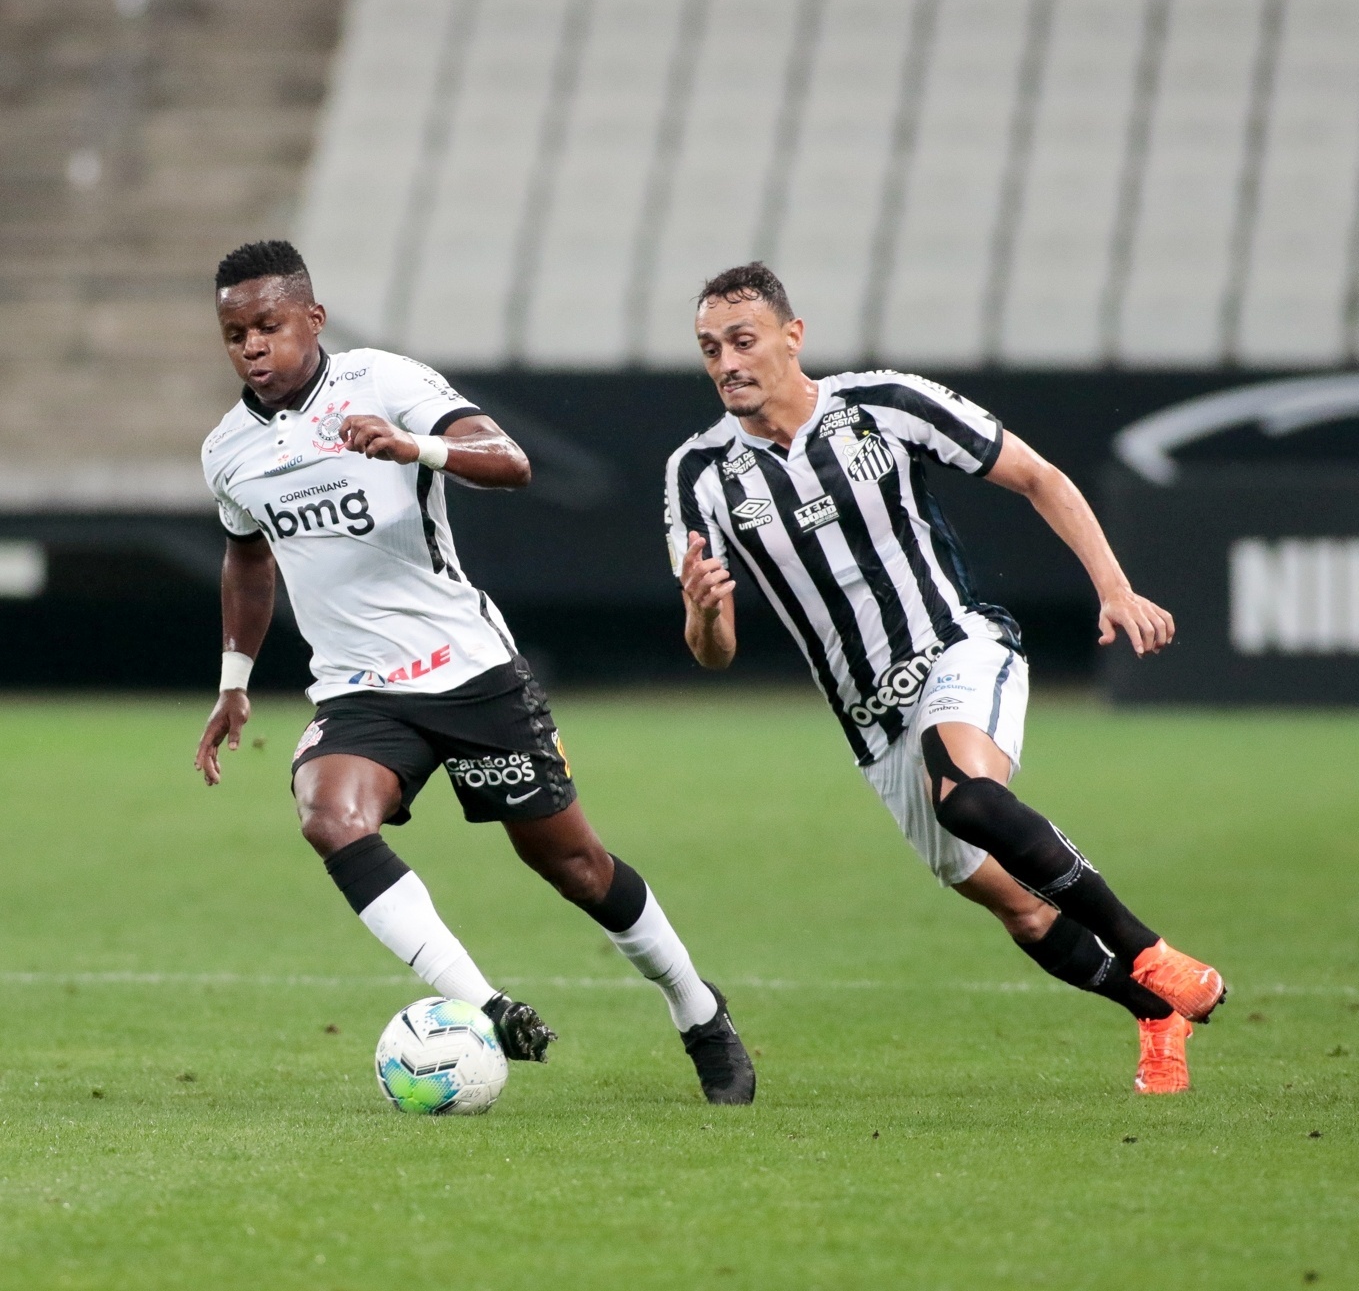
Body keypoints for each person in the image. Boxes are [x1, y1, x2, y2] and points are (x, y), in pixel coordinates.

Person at [194, 240, 754, 1105]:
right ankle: (482, 1006)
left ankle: (696, 1008)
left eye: (268, 324)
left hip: (465, 669)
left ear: (313, 318)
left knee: (575, 868)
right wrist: (235, 678)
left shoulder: (386, 383)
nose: (253, 346)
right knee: (328, 814)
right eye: (235, 332)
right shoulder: (228, 450)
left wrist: (413, 448)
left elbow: (511, 462)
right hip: (356, 689)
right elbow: (246, 559)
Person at [665, 262, 1225, 1095]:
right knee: (1019, 906)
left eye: (742, 341)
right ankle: (1151, 1009)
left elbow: (1038, 476)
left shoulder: (882, 404)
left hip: (957, 646)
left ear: (793, 336)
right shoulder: (697, 474)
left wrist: (1113, 586)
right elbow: (714, 653)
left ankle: (1151, 950)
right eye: (711, 348)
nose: (726, 363)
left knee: (962, 791)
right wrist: (705, 612)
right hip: (868, 721)